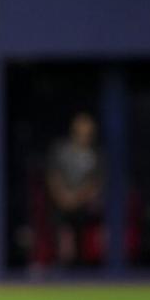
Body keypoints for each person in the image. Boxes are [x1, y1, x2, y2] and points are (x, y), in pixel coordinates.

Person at [45, 112, 105, 266]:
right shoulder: (60, 150)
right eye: (81, 131)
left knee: (84, 247)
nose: (85, 135)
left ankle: (85, 274)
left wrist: (76, 198)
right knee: (65, 246)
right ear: (74, 131)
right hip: (60, 204)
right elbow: (53, 176)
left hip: (84, 206)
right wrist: (64, 197)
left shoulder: (95, 155)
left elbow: (95, 182)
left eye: (88, 133)